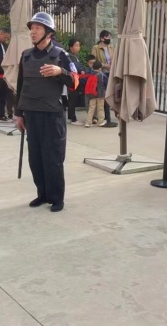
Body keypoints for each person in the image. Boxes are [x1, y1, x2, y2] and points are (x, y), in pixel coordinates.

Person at [14, 13, 79, 212]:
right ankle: (42, 194)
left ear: (49, 33)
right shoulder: (25, 55)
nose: (33, 32)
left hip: (52, 115)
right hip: (32, 114)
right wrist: (19, 113)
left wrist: (61, 72)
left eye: (38, 28)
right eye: (32, 28)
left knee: (53, 158)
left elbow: (75, 82)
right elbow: (21, 85)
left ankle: (56, 198)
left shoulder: (60, 55)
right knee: (35, 158)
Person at [90, 30, 118, 127]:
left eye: (110, 37)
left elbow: (115, 59)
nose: (109, 39)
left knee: (110, 94)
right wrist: (105, 66)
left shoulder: (111, 47)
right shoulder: (96, 48)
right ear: (102, 38)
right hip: (101, 74)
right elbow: (93, 62)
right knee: (103, 95)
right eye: (107, 37)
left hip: (111, 73)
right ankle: (104, 118)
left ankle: (106, 117)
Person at [66, 38, 85, 125]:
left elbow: (80, 66)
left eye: (79, 46)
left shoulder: (75, 56)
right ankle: (73, 118)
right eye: (76, 46)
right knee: (72, 98)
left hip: (75, 79)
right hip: (72, 80)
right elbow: (75, 67)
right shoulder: (69, 56)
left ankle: (71, 117)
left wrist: (82, 70)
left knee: (73, 98)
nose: (78, 48)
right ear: (71, 47)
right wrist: (81, 70)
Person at [84, 61, 107, 127]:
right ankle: (101, 122)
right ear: (100, 68)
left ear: (93, 67)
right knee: (100, 108)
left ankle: (88, 122)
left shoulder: (90, 74)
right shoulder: (102, 75)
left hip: (92, 95)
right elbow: (106, 84)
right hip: (100, 94)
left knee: (91, 108)